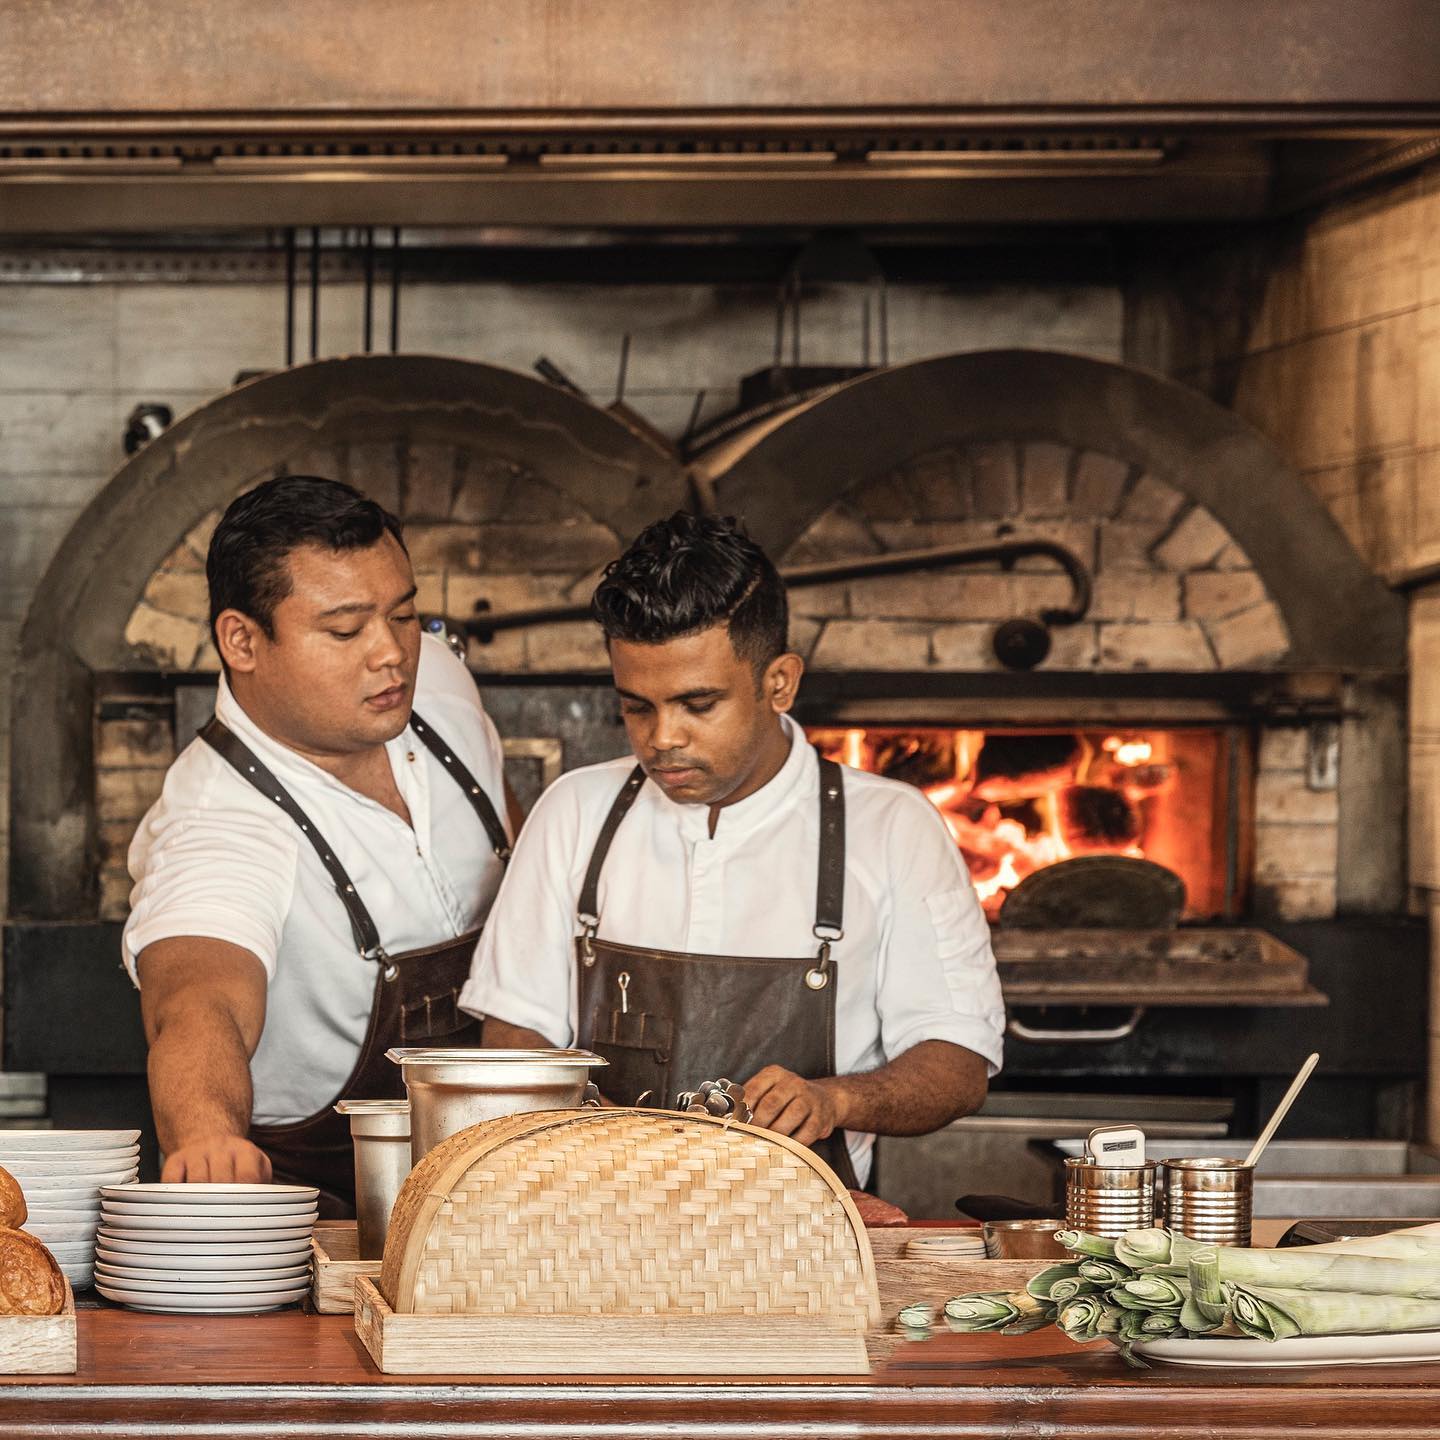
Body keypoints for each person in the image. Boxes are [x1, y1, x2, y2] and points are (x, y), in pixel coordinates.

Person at [460, 511, 1004, 1188]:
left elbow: (957, 1064)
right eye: (638, 707)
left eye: (698, 703)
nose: (663, 738)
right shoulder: (576, 811)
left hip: (804, 1234)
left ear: (779, 682)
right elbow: (515, 1034)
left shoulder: (890, 827)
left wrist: (833, 1100)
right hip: (593, 1219)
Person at [124, 476, 516, 1212]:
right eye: (344, 631)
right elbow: (198, 999)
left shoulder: (441, 686)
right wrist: (205, 1137)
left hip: (508, 1169)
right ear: (241, 639)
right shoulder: (216, 819)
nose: (391, 655)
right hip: (341, 1211)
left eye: (404, 615)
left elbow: (520, 847)